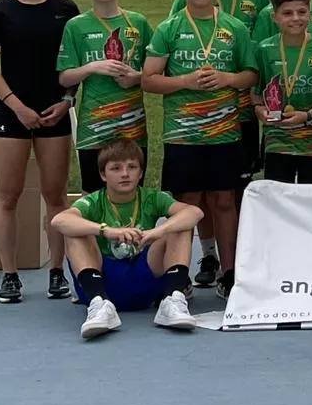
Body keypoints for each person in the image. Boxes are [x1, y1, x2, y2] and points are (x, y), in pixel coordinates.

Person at [142, 0, 259, 298]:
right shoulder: (170, 28)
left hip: (225, 133)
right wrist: (184, 82)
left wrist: (226, 79)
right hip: (183, 135)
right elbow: (149, 79)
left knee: (225, 201)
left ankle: (230, 273)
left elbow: (251, 74)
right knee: (187, 204)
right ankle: (179, 274)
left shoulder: (234, 27)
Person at [0, 0, 80, 304]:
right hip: (11, 113)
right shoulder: (1, 11)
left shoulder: (66, 9)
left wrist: (66, 101)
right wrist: (16, 105)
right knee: (8, 195)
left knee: (56, 195)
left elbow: (76, 64)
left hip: (55, 112)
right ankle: (9, 276)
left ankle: (57, 271)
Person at [50, 139, 202, 339]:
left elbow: (195, 212)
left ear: (140, 173)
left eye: (132, 167)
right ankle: (99, 304)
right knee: (76, 230)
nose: (125, 174)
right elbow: (59, 220)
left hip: (143, 279)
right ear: (103, 175)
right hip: (105, 280)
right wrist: (106, 230)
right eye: (116, 168)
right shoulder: (94, 201)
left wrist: (157, 232)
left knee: (178, 226)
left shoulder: (151, 197)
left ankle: (172, 298)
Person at [57, 0, 152, 194]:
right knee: (94, 196)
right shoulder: (76, 26)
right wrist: (91, 67)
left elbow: (157, 73)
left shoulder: (138, 23)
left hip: (133, 127)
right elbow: (64, 76)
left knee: (132, 194)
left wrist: (137, 78)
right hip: (94, 128)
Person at [253, 0, 312, 185]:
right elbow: (256, 93)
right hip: (277, 140)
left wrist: (307, 115)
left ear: (310, 14)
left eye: (301, 12)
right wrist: (259, 110)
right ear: (274, 17)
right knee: (278, 199)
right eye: (287, 13)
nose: (296, 18)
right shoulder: (265, 49)